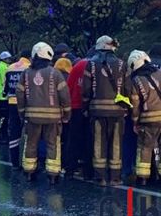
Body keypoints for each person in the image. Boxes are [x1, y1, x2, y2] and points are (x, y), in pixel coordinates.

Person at [16, 42, 72, 184]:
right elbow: (64, 95)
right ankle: (53, 175)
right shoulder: (56, 73)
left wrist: (22, 113)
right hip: (53, 118)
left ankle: (29, 172)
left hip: (32, 117)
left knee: (31, 144)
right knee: (53, 144)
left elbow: (20, 94)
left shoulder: (26, 73)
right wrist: (66, 114)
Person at [82, 36, 131, 186]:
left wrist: (86, 107)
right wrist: (126, 106)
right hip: (117, 112)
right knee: (116, 143)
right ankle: (115, 177)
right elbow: (128, 88)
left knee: (98, 144)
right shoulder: (123, 64)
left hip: (97, 112)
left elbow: (86, 90)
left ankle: (100, 177)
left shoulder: (91, 65)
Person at [128, 50, 161, 186]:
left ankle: (143, 178)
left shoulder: (136, 80)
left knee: (145, 148)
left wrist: (135, 121)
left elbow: (135, 104)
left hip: (147, 120)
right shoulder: (159, 73)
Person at [64, 48, 96, 180]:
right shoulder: (98, 66)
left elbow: (68, 87)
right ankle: (89, 171)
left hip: (75, 107)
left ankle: (70, 169)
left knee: (73, 139)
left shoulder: (77, 66)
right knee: (90, 139)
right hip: (92, 108)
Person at [4, 50, 31, 169]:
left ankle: (14, 162)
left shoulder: (10, 68)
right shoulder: (30, 68)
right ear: (30, 57)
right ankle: (29, 162)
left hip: (11, 103)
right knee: (30, 132)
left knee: (14, 132)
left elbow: (5, 87)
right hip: (26, 104)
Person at [0, 51, 13, 144]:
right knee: (3, 117)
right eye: (8, 58)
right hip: (2, 95)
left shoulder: (2, 66)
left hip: (1, 95)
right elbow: (5, 81)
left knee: (4, 117)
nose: (9, 60)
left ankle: (3, 134)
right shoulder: (3, 67)